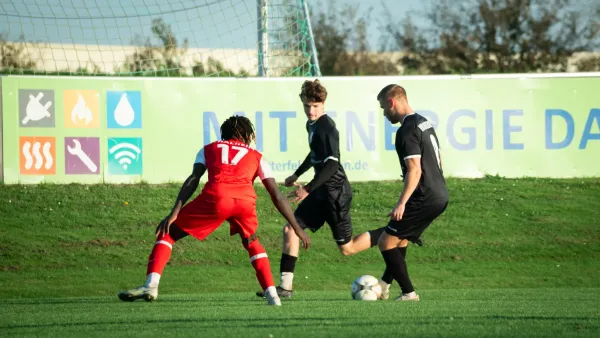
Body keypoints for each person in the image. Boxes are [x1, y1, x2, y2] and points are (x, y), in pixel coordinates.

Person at [117, 115, 310, 306]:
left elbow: (193, 179)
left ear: (224, 134)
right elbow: (276, 195)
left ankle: (151, 285)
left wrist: (175, 212)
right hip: (244, 201)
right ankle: (273, 297)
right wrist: (297, 228)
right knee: (252, 242)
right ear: (246, 134)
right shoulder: (257, 156)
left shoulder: (209, 148)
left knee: (168, 233)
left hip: (216, 197)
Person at [256, 79, 386, 299]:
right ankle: (285, 287)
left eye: (315, 106)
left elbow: (332, 163)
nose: (310, 110)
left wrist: (306, 188)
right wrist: (297, 174)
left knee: (347, 248)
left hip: (335, 193)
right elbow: (315, 154)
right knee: (291, 229)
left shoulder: (327, 126)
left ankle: (392, 232)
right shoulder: (311, 125)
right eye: (307, 106)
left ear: (323, 104)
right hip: (320, 192)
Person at [375, 84, 449, 301]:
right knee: (401, 239)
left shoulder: (406, 129)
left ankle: (409, 292)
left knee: (385, 242)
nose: (384, 113)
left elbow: (415, 169)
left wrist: (401, 203)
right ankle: (384, 285)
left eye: (383, 107)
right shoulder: (424, 122)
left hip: (425, 195)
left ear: (391, 102)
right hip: (440, 193)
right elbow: (439, 159)